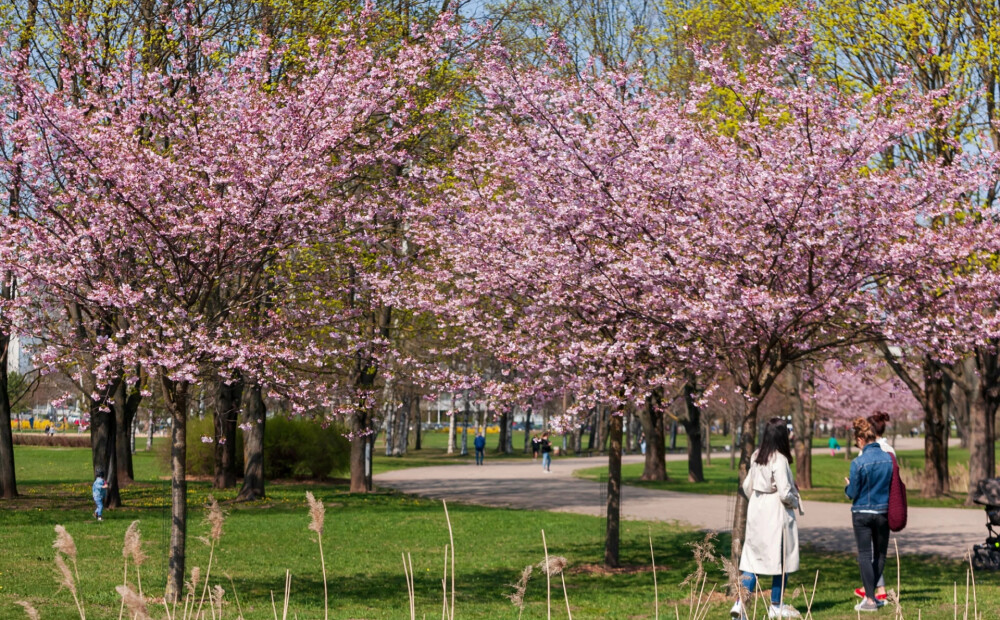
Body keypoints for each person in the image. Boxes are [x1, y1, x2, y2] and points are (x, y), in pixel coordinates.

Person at [731, 418, 802, 620]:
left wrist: (756, 498)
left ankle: (740, 603)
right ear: (782, 436)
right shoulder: (779, 459)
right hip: (775, 513)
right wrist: (794, 501)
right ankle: (776, 605)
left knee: (753, 558)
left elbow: (747, 486)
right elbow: (784, 492)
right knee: (781, 559)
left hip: (757, 508)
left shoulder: (756, 455)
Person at [845, 417, 893, 613]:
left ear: (861, 439)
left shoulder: (858, 463)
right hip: (882, 511)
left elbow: (852, 493)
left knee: (865, 554)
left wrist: (848, 486)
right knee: (880, 554)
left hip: (862, 512)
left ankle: (870, 599)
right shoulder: (888, 459)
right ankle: (872, 596)